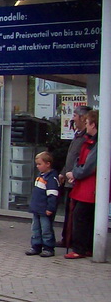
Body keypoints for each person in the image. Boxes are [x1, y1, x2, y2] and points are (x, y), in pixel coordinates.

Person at [64, 110, 99, 259]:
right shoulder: (88, 141)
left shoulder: (97, 144)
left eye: (87, 123)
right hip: (83, 185)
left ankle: (80, 248)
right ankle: (87, 247)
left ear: (93, 124)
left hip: (89, 187)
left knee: (80, 216)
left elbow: (89, 166)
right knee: (85, 217)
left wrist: (75, 173)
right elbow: (79, 160)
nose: (86, 126)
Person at [59, 105, 91, 249]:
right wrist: (63, 172)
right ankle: (66, 238)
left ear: (83, 118)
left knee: (75, 213)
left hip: (76, 181)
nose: (73, 119)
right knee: (69, 211)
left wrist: (74, 174)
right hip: (69, 179)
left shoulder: (86, 138)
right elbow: (70, 158)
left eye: (75, 116)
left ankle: (72, 241)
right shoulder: (77, 136)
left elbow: (82, 161)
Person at [26, 151, 60, 257]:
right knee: (35, 229)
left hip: (45, 210)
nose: (37, 166)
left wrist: (50, 208)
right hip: (37, 209)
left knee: (46, 229)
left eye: (39, 164)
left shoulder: (51, 178)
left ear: (48, 164)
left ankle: (48, 248)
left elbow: (53, 195)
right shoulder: (41, 176)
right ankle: (36, 246)